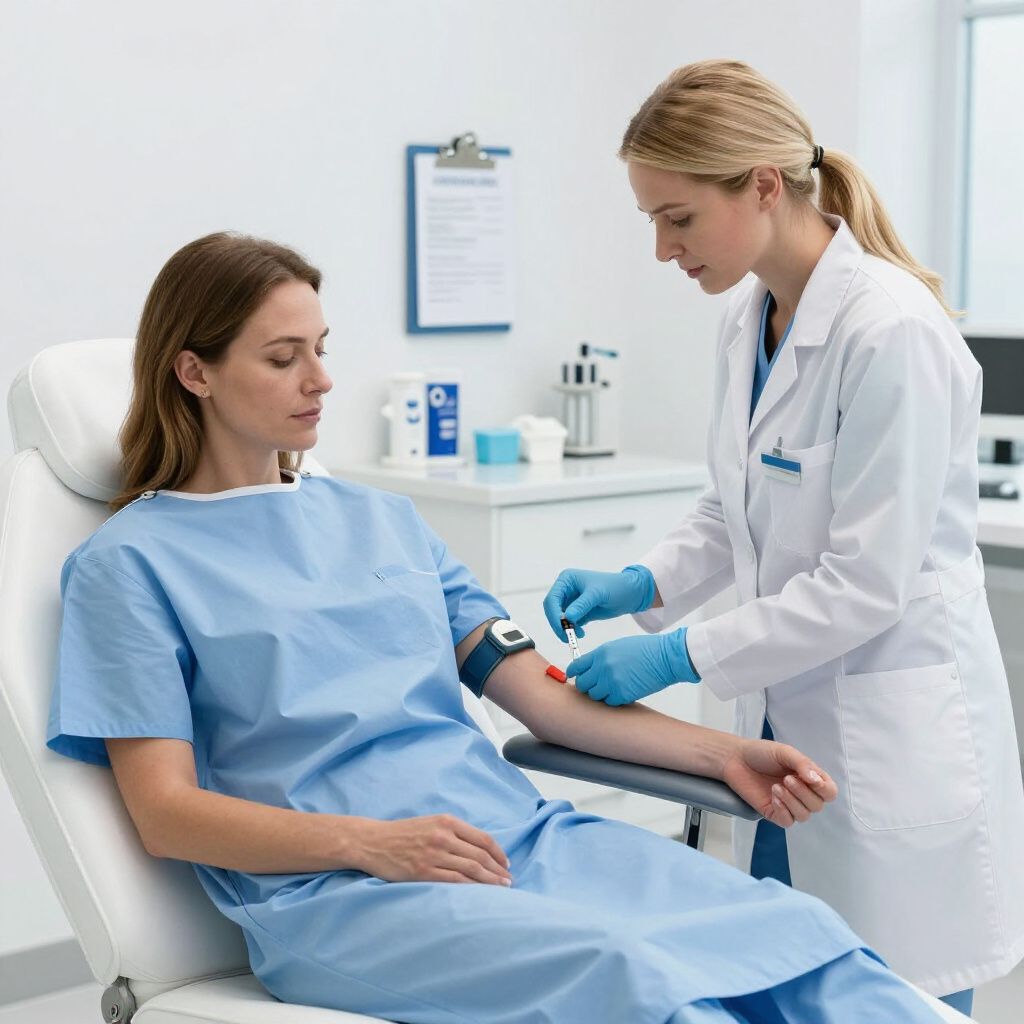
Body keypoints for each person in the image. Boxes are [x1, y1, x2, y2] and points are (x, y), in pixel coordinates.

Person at [46, 232, 945, 1023]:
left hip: (519, 840)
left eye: (322, 349)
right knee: (641, 983)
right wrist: (374, 844)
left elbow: (546, 703)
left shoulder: (383, 521)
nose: (321, 380)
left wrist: (721, 754)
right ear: (194, 371)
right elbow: (165, 814)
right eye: (283, 358)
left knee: (790, 933)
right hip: (342, 893)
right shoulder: (129, 566)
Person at [543, 59, 1024, 1015]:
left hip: (886, 729)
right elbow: (737, 510)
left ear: (764, 185)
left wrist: (678, 652)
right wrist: (641, 582)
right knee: (781, 971)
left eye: (676, 218)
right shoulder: (748, 318)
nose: (661, 250)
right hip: (783, 730)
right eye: (651, 221)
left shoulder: (892, 332)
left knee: (890, 998)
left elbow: (863, 583)